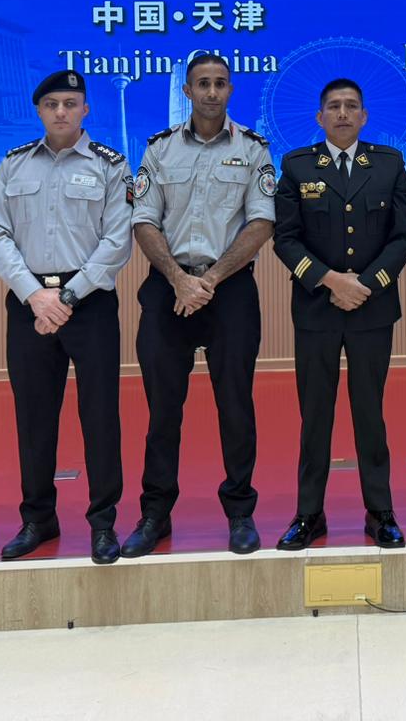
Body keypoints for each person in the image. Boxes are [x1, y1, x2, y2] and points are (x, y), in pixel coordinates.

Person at [125, 53, 274, 558]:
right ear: (187, 91)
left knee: (236, 405)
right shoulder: (160, 149)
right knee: (163, 409)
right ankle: (155, 513)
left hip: (229, 291)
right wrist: (178, 280)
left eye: (220, 83)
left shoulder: (253, 149)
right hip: (167, 289)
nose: (212, 92)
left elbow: (260, 223)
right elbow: (144, 220)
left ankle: (240, 512)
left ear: (231, 90)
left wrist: (207, 280)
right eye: (202, 84)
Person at [0, 69, 133, 564]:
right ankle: (37, 519)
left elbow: (118, 240)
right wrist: (34, 295)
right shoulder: (14, 164)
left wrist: (65, 297)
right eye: (52, 104)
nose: (61, 112)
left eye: (70, 103)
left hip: (88, 304)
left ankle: (103, 522)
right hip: (30, 305)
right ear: (39, 111)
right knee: (34, 417)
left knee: (100, 415)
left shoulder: (111, 165)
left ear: (86, 109)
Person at [271, 78, 406, 551]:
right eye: (333, 106)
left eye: (351, 106)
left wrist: (365, 285)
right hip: (317, 308)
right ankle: (308, 514)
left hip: (372, 308)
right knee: (315, 414)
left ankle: (381, 512)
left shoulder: (389, 163)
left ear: (364, 116)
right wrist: (332, 281)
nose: (342, 114)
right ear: (319, 117)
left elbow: (404, 237)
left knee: (370, 412)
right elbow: (285, 239)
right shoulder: (296, 166)